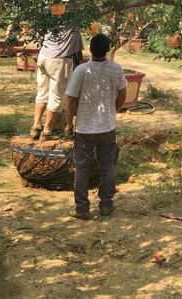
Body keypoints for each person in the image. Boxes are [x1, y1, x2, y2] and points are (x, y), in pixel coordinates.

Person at [65, 33, 127, 219]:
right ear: (108, 50)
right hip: (107, 127)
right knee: (107, 167)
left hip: (84, 129)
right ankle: (106, 205)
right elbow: (123, 93)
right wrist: (112, 111)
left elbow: (71, 100)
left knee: (82, 169)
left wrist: (70, 123)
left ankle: (82, 209)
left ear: (90, 50)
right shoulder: (116, 69)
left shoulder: (82, 71)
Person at [31, 24, 84, 141]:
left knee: (42, 94)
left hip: (43, 56)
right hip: (60, 60)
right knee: (57, 97)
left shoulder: (51, 15)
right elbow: (79, 53)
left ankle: (36, 125)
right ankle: (47, 131)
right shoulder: (75, 22)